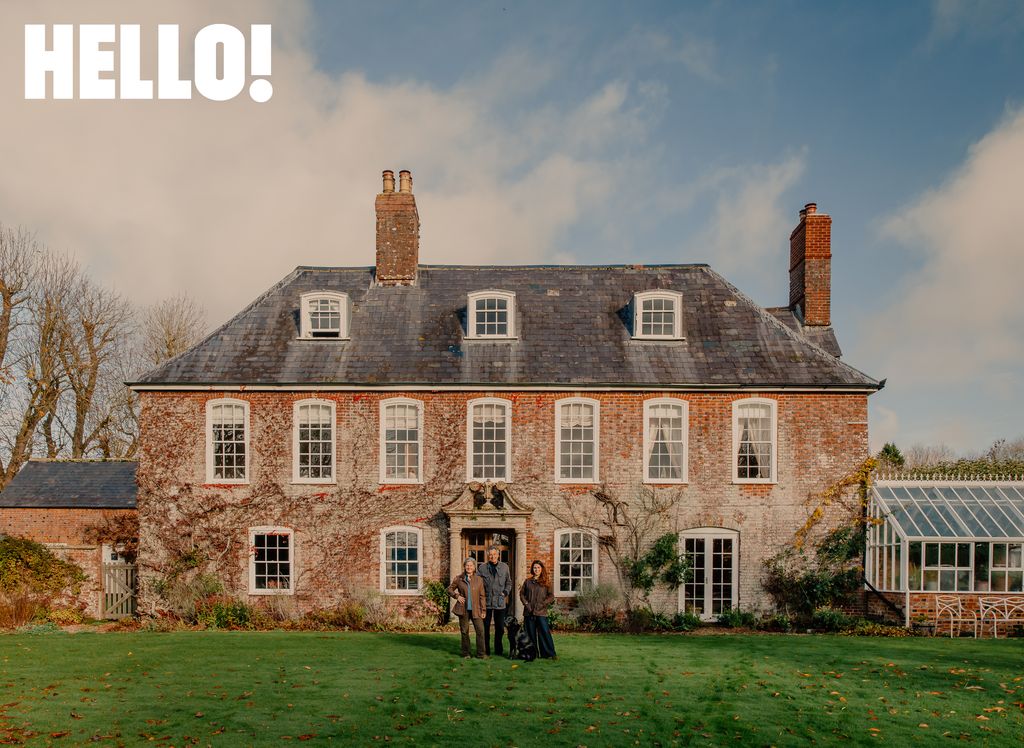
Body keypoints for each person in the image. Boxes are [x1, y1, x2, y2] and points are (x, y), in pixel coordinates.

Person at [447, 556, 487, 658]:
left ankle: (481, 654)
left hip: (476, 609)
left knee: (480, 631)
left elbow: (482, 596)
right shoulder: (459, 578)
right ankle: (466, 653)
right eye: (467, 565)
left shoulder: (479, 579)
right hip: (463, 610)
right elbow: (449, 590)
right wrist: (457, 596)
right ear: (464, 566)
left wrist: (483, 610)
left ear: (474, 567)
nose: (469, 567)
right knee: (464, 631)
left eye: (471, 565)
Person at [477, 544, 512, 657]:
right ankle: (486, 650)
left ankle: (498, 650)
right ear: (488, 555)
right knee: (485, 628)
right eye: (490, 555)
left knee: (500, 628)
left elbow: (509, 583)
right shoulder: (482, 568)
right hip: (486, 603)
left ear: (498, 555)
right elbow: (477, 584)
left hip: (500, 602)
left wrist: (505, 592)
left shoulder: (504, 567)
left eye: (494, 554)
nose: (492, 557)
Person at [519, 559, 556, 659]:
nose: (536, 569)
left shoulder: (546, 582)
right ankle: (532, 654)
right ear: (532, 569)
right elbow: (522, 594)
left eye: (538, 568)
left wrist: (543, 604)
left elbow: (551, 596)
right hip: (529, 612)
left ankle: (549, 654)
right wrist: (526, 604)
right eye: (535, 568)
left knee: (544, 633)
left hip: (541, 612)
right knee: (530, 634)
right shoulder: (527, 582)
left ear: (541, 569)